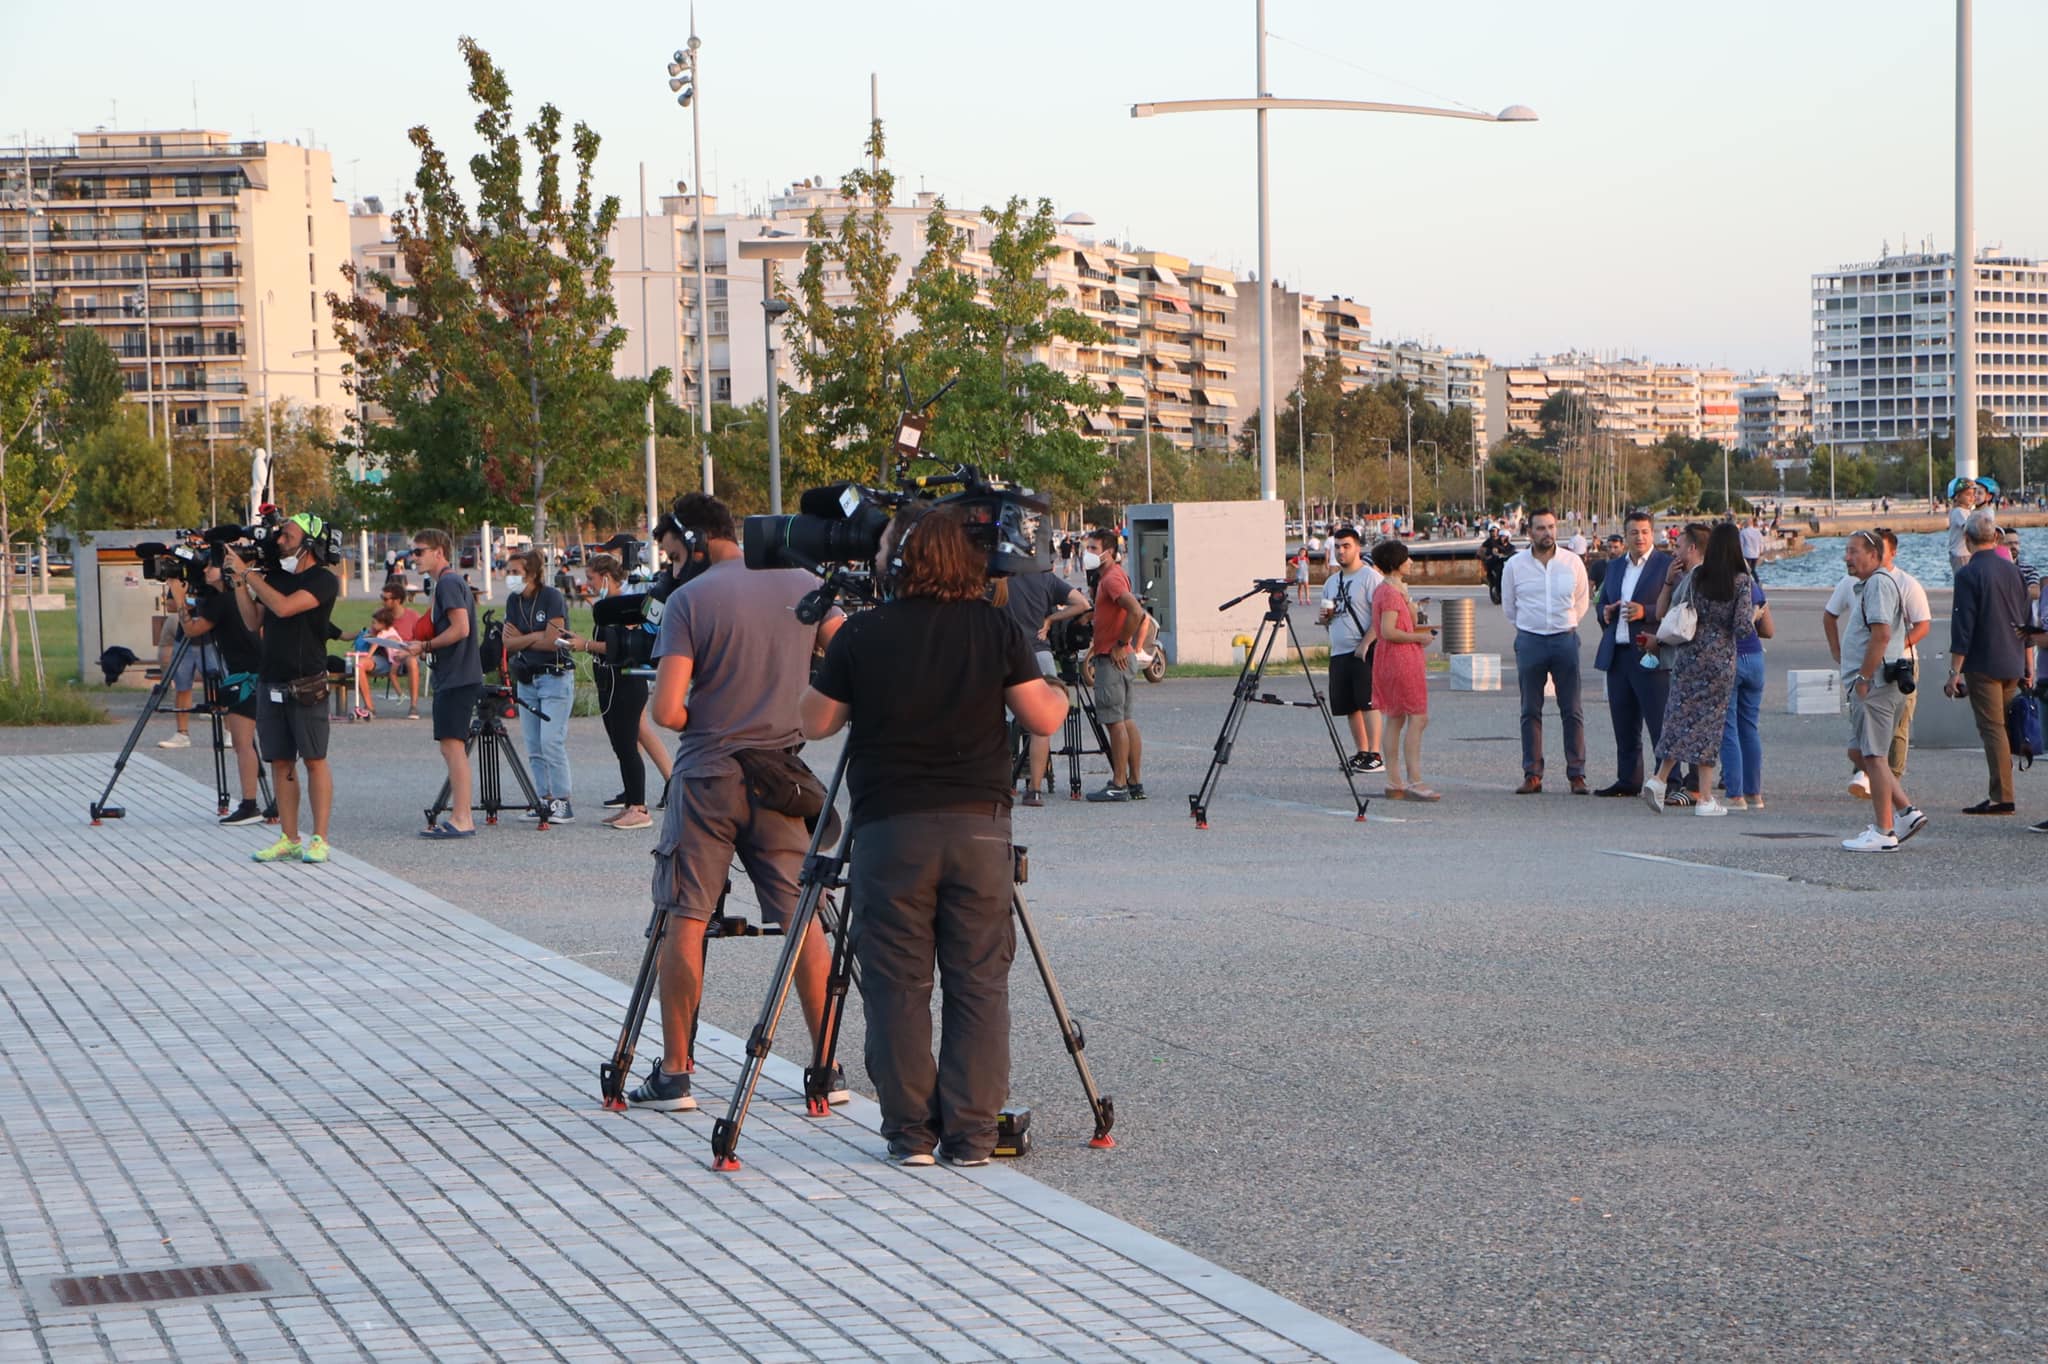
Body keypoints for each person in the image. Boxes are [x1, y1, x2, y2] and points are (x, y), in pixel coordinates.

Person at [801, 502, 1067, 1166]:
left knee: (897, 982)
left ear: (897, 561)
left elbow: (816, 724)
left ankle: (910, 1132)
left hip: (892, 830)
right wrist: (1058, 689)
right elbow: (1042, 718)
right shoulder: (994, 627)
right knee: (978, 982)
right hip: (979, 829)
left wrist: (825, 650)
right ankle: (973, 1135)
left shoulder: (863, 634)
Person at [628, 493, 848, 1115]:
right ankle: (826, 1067)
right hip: (782, 775)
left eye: (673, 553)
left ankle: (676, 1073)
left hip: (708, 777)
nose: (671, 566)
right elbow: (851, 653)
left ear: (696, 541)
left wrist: (717, 711)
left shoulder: (689, 601)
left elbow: (667, 710)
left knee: (686, 915)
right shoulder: (804, 583)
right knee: (801, 921)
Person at [224, 512, 338, 864]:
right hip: (271, 678)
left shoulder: (322, 580)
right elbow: (252, 620)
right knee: (281, 762)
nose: (280, 541)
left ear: (309, 543)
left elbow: (285, 608)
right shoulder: (275, 578)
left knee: (315, 760)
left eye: (287, 536)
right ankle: (289, 838)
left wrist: (250, 574)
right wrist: (241, 583)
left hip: (306, 682)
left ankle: (319, 838)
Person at [1640, 523, 1753, 818]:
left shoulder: (1697, 576)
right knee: (1710, 726)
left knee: (1679, 717)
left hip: (1688, 655)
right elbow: (1742, 626)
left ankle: (1660, 779)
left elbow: (1676, 608)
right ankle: (1703, 799)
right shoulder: (1740, 581)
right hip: (1719, 661)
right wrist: (1755, 615)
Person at [565, 551, 674, 830]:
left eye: (590, 578)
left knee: (628, 746)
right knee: (620, 746)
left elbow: (626, 643)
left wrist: (586, 645)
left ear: (605, 577)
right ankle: (629, 804)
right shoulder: (605, 606)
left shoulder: (624, 607)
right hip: (608, 682)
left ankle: (639, 807)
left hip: (626, 683)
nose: (586, 583)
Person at [1838, 530, 1927, 852]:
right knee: (1858, 752)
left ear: (1875, 555)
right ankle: (1905, 811)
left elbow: (1882, 634)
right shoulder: (1871, 585)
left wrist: (1863, 677)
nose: (1847, 557)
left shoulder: (1877, 584)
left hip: (1874, 684)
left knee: (1874, 756)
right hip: (1872, 683)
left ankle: (1884, 831)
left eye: (1853, 551)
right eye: (1846, 551)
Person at [1945, 510, 2032, 816]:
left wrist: (1954, 671)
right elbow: (2027, 620)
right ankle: (2003, 790)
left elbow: (1963, 626)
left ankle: (2001, 797)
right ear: (1995, 538)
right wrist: (2028, 665)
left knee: (1992, 728)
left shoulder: (1968, 575)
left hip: (1983, 662)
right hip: (2013, 659)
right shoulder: (2014, 572)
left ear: (1967, 540)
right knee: (2005, 727)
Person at [1499, 508, 1590, 794]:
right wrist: (1530, 628)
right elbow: (1509, 606)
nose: (1547, 533)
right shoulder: (1515, 565)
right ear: (1530, 532)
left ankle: (1577, 774)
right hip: (1530, 640)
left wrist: (1566, 624)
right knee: (1530, 710)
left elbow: (1581, 601)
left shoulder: (1572, 562)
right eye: (1540, 528)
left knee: (1572, 709)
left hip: (1565, 638)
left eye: (1551, 527)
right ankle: (1532, 773)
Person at [407, 528, 485, 839]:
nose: (414, 557)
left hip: (458, 677)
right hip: (454, 676)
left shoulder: (449, 583)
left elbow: (461, 628)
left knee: (453, 748)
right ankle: (460, 814)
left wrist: (425, 647)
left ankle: (463, 817)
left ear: (439, 551)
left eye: (419, 551)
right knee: (450, 748)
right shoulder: (446, 584)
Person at [177, 560, 268, 825]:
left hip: (244, 675)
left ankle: (250, 804)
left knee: (243, 744)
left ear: (224, 572)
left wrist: (181, 598)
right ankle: (271, 804)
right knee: (259, 742)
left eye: (210, 567)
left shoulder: (222, 600)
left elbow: (192, 629)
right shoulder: (233, 598)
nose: (205, 571)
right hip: (258, 670)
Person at [1592, 511, 1672, 797]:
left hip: (1650, 651)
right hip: (1619, 651)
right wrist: (1605, 611)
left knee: (1658, 720)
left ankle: (1670, 780)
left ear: (1653, 534)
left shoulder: (1667, 565)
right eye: (1634, 533)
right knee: (1624, 722)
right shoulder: (1614, 567)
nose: (1640, 537)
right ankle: (1628, 779)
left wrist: (1646, 611)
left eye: (1645, 532)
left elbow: (1678, 606)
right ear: (1624, 536)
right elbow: (1601, 601)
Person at [998, 564, 1090, 807]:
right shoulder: (1045, 579)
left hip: (1006, 654)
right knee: (1041, 727)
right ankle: (1035, 789)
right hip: (1040, 654)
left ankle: (1002, 786)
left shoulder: (998, 576)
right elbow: (1082, 603)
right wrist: (1049, 619)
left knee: (1002, 724)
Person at [502, 547, 576, 823]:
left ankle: (562, 799)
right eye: (508, 572)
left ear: (531, 573)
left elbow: (553, 640)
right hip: (527, 678)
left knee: (551, 741)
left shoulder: (551, 597)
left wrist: (526, 636)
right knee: (533, 743)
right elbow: (508, 642)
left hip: (553, 676)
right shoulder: (513, 601)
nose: (510, 577)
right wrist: (534, 637)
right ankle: (542, 798)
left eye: (515, 572)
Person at [1368, 539, 1436, 800]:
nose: (1411, 562)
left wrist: (1408, 599)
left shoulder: (1390, 590)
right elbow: (1388, 631)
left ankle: (1394, 781)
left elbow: (1409, 620)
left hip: (1391, 659)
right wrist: (1418, 638)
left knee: (1396, 718)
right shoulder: (1389, 593)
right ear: (1396, 563)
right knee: (1417, 717)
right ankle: (1414, 780)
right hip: (1401, 660)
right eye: (1406, 558)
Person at [1083, 528, 1146, 802]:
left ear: (1108, 552)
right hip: (1119, 656)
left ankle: (1118, 783)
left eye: (1094, 549)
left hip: (1113, 658)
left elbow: (1136, 611)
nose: (1089, 554)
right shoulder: (1112, 576)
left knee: (1114, 722)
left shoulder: (1110, 579)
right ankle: (1134, 781)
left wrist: (1120, 643)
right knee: (1126, 719)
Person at [1318, 526, 1385, 774]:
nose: (1340, 551)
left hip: (1363, 649)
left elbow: (1380, 617)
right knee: (1349, 706)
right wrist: (1325, 618)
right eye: (1337, 547)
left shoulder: (1370, 578)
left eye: (1346, 546)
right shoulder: (1331, 582)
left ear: (1357, 548)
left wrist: (1366, 643)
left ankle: (1375, 753)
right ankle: (1362, 751)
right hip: (1339, 650)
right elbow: (1325, 619)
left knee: (1368, 702)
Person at [1718, 563, 1774, 810]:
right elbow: (1769, 630)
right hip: (1755, 657)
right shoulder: (1752, 585)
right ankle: (1755, 793)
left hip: (1731, 656)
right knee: (1749, 727)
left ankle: (1735, 794)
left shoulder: (1716, 584)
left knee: (1727, 727)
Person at [155, 578, 222, 749]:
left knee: (218, 684)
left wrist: (187, 601)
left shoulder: (213, 578)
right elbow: (170, 605)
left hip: (209, 637)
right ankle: (182, 733)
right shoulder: (182, 578)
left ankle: (227, 731)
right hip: (183, 636)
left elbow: (217, 602)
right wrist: (183, 601)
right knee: (182, 685)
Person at [353, 579, 422, 718]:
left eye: (385, 598)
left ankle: (413, 706)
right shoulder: (380, 615)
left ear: (397, 600)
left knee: (412, 661)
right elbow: (372, 638)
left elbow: (421, 640)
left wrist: (407, 651)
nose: (382, 601)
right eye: (382, 597)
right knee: (360, 664)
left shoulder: (413, 616)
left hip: (406, 655)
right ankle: (369, 707)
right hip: (384, 657)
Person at [349, 606, 409, 720]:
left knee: (391, 674)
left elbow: (375, 644)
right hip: (393, 658)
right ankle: (370, 706)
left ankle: (399, 695)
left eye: (374, 623)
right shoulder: (390, 630)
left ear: (383, 624)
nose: (372, 625)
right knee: (359, 665)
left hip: (395, 660)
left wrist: (368, 655)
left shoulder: (382, 634)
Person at [1947, 479, 1988, 575]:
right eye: (1968, 495)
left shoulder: (1967, 511)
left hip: (1967, 553)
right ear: (1957, 496)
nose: (1972, 497)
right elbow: (1969, 528)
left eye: (1973, 494)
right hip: (1960, 553)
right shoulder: (1959, 511)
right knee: (1965, 577)